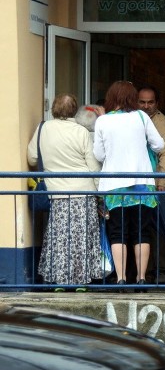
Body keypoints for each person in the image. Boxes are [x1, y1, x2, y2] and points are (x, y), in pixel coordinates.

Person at [93, 81, 165, 287]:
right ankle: (141, 278)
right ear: (132, 98)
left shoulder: (103, 121)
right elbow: (159, 144)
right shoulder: (141, 117)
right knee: (141, 232)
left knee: (118, 232)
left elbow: (98, 154)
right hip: (142, 183)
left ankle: (121, 278)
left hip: (114, 184)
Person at [27, 94, 102, 288]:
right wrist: (100, 192)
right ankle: (80, 281)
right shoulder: (81, 132)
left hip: (57, 193)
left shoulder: (43, 129)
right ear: (75, 110)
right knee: (81, 238)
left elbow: (32, 158)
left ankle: (60, 280)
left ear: (53, 108)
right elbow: (93, 167)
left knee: (60, 238)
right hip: (83, 193)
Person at [137, 85, 165, 283]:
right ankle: (147, 271)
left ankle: (160, 271)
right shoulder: (136, 119)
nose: (146, 106)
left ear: (156, 103)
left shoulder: (160, 121)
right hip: (141, 185)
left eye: (150, 102)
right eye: (142, 102)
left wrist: (163, 182)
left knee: (159, 230)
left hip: (157, 185)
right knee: (144, 229)